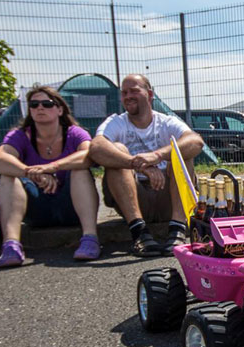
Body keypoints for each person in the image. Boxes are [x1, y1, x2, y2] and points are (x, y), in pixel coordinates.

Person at [88, 74, 205, 257]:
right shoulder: (116, 122)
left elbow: (196, 142)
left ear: (150, 94)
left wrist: (157, 156)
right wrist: (137, 165)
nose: (128, 96)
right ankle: (139, 233)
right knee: (116, 151)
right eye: (124, 92)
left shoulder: (166, 122)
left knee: (182, 153)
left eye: (134, 90)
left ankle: (177, 229)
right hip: (134, 197)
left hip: (168, 197)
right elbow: (96, 148)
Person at [0, 86, 101, 267]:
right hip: (36, 208)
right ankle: (11, 245)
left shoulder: (74, 133)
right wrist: (32, 173)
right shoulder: (20, 135)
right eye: (34, 104)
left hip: (71, 207)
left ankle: (90, 238)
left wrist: (51, 167)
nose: (40, 108)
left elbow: (88, 155)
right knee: (7, 176)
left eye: (47, 104)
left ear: (60, 109)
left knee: (80, 170)